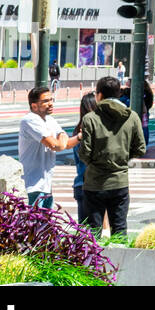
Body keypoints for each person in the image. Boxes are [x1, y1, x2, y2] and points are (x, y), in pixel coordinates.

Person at [79, 75, 146, 235]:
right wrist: (122, 157)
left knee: (93, 232)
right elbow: (141, 148)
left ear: (99, 95)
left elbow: (85, 153)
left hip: (95, 182)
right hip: (120, 181)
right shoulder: (132, 116)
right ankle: (120, 260)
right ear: (118, 94)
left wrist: (95, 161)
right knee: (120, 229)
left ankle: (94, 260)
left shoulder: (90, 118)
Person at [18, 86, 80, 209]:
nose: (51, 104)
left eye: (51, 100)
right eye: (46, 101)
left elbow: (65, 143)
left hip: (46, 185)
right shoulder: (29, 120)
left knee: (46, 225)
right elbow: (55, 145)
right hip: (32, 185)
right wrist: (60, 142)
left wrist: (79, 137)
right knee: (34, 225)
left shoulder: (50, 120)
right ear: (34, 106)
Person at [71, 91, 97, 220]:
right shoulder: (86, 131)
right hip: (90, 186)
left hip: (82, 184)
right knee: (92, 233)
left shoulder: (78, 130)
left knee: (87, 233)